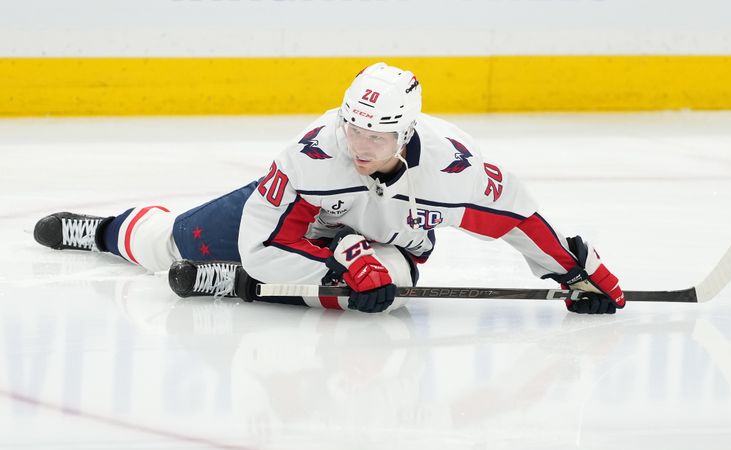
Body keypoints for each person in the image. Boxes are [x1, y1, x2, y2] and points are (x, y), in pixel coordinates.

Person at [32, 62, 625, 315]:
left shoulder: (456, 171)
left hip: (388, 241)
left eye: (378, 134)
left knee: (382, 291)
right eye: (354, 127)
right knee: (173, 245)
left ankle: (243, 288)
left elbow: (520, 221)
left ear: (408, 132)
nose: (359, 145)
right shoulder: (310, 157)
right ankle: (104, 233)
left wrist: (575, 272)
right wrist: (342, 256)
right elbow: (265, 243)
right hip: (296, 227)